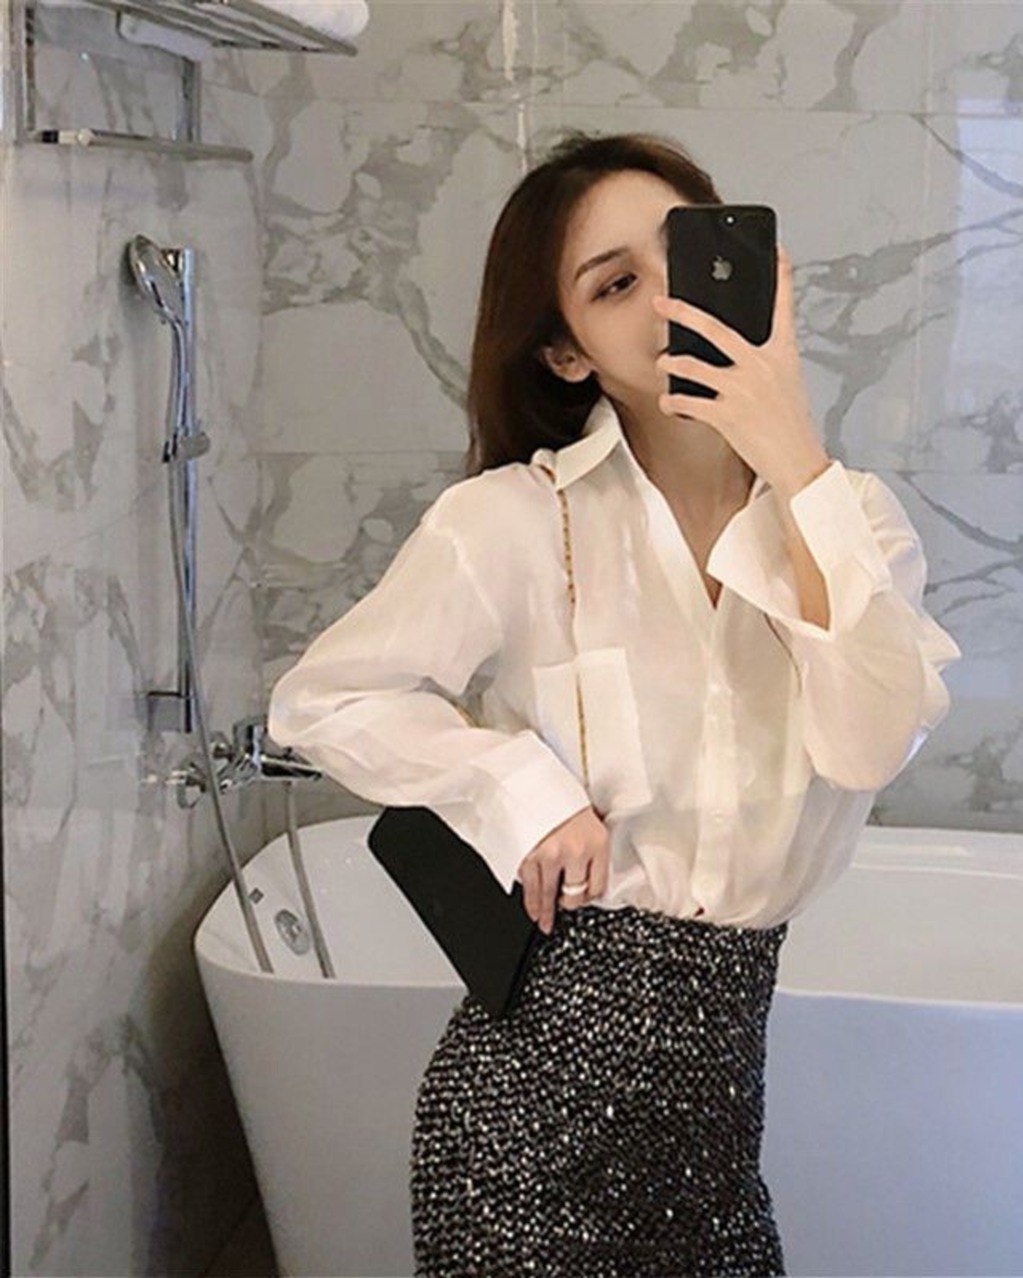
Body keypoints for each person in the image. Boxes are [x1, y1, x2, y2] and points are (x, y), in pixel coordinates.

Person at [266, 129, 962, 1278]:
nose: (667, 298)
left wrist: (792, 454)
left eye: (681, 253)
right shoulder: (512, 521)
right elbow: (322, 701)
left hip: (712, 1135)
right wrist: (517, 790)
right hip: (523, 1126)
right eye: (614, 284)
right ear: (566, 351)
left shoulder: (852, 524)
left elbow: (868, 742)